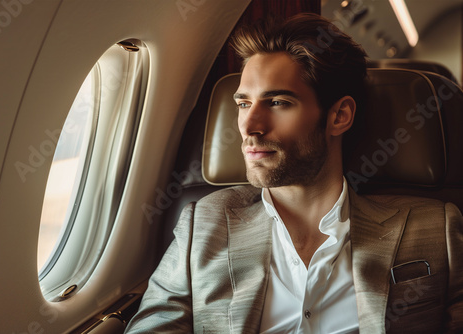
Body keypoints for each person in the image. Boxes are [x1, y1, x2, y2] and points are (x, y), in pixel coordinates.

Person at [126, 13, 463, 333]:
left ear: (339, 116)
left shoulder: (437, 227)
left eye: (277, 103)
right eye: (244, 104)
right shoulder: (204, 224)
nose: (250, 126)